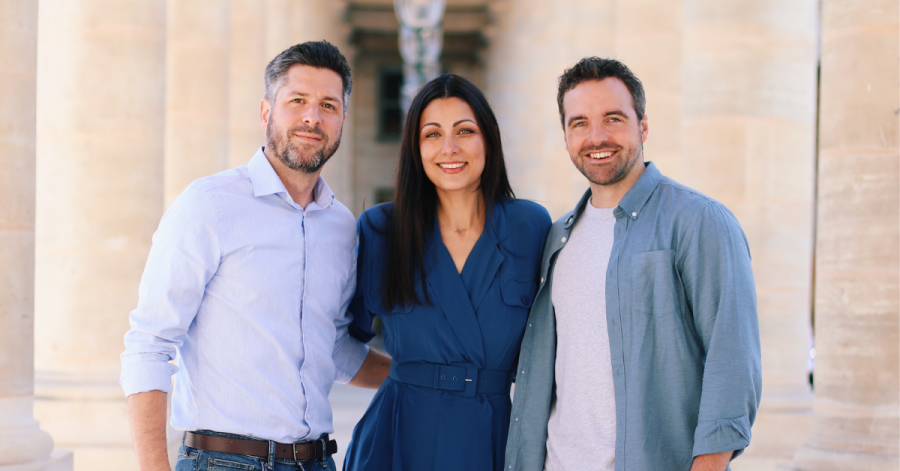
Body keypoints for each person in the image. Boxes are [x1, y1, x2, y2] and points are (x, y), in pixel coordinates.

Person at [120, 41, 391, 471]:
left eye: (328, 105)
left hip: (317, 461)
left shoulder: (341, 226)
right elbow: (149, 345)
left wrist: (424, 375)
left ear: (342, 120)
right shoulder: (209, 205)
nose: (312, 117)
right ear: (266, 112)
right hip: (224, 462)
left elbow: (333, 348)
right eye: (297, 101)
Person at [505, 58, 762, 471]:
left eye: (613, 118)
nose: (597, 136)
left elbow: (732, 365)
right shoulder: (557, 238)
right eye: (580, 123)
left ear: (642, 127)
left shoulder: (699, 221)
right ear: (566, 136)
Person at [342, 74, 551, 471]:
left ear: (488, 138)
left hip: (491, 438)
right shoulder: (381, 230)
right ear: (415, 148)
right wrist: (409, 374)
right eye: (432, 134)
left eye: (465, 131)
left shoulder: (530, 227)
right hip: (398, 438)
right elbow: (337, 341)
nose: (449, 148)